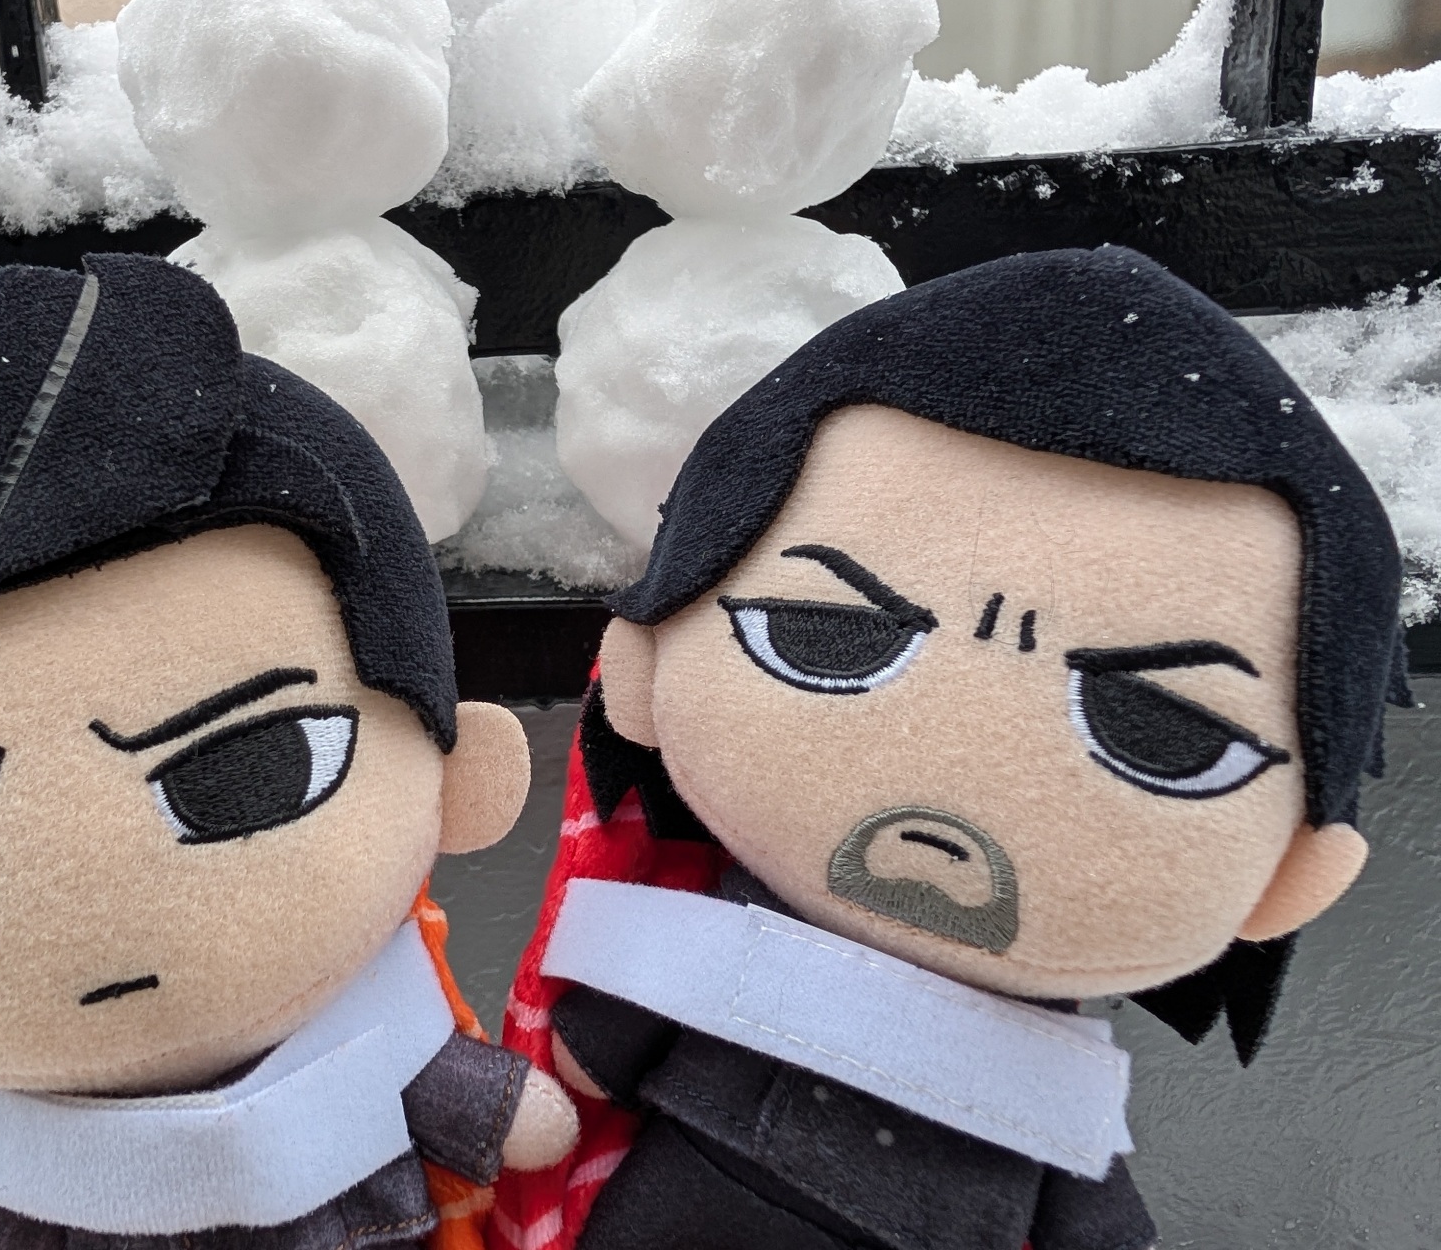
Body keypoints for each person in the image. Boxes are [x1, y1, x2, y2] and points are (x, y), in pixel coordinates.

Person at [496, 247, 1410, 1250]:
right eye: (826, 635)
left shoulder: (1041, 1072)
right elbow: (599, 1050)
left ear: (1294, 873)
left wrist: (583, 1062)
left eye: (1158, 733)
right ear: (643, 669)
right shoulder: (720, 944)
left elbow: (1088, 1201)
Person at [0, 254, 577, 1250]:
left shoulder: (376, 1042)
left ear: (459, 775)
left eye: (246, 770)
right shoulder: (23, 1171)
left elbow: (508, 1123)